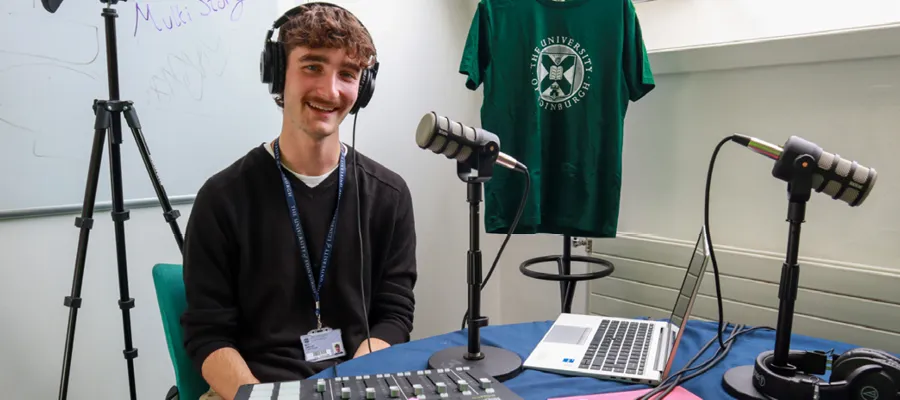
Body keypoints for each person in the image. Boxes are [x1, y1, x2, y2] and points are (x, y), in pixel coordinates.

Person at [179, 3, 418, 400]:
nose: (330, 91)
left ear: (364, 87)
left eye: (348, 74)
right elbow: (208, 335)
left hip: (356, 382)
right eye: (312, 66)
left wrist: (353, 387)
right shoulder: (222, 198)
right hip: (251, 390)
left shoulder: (389, 195)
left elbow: (393, 316)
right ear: (277, 75)